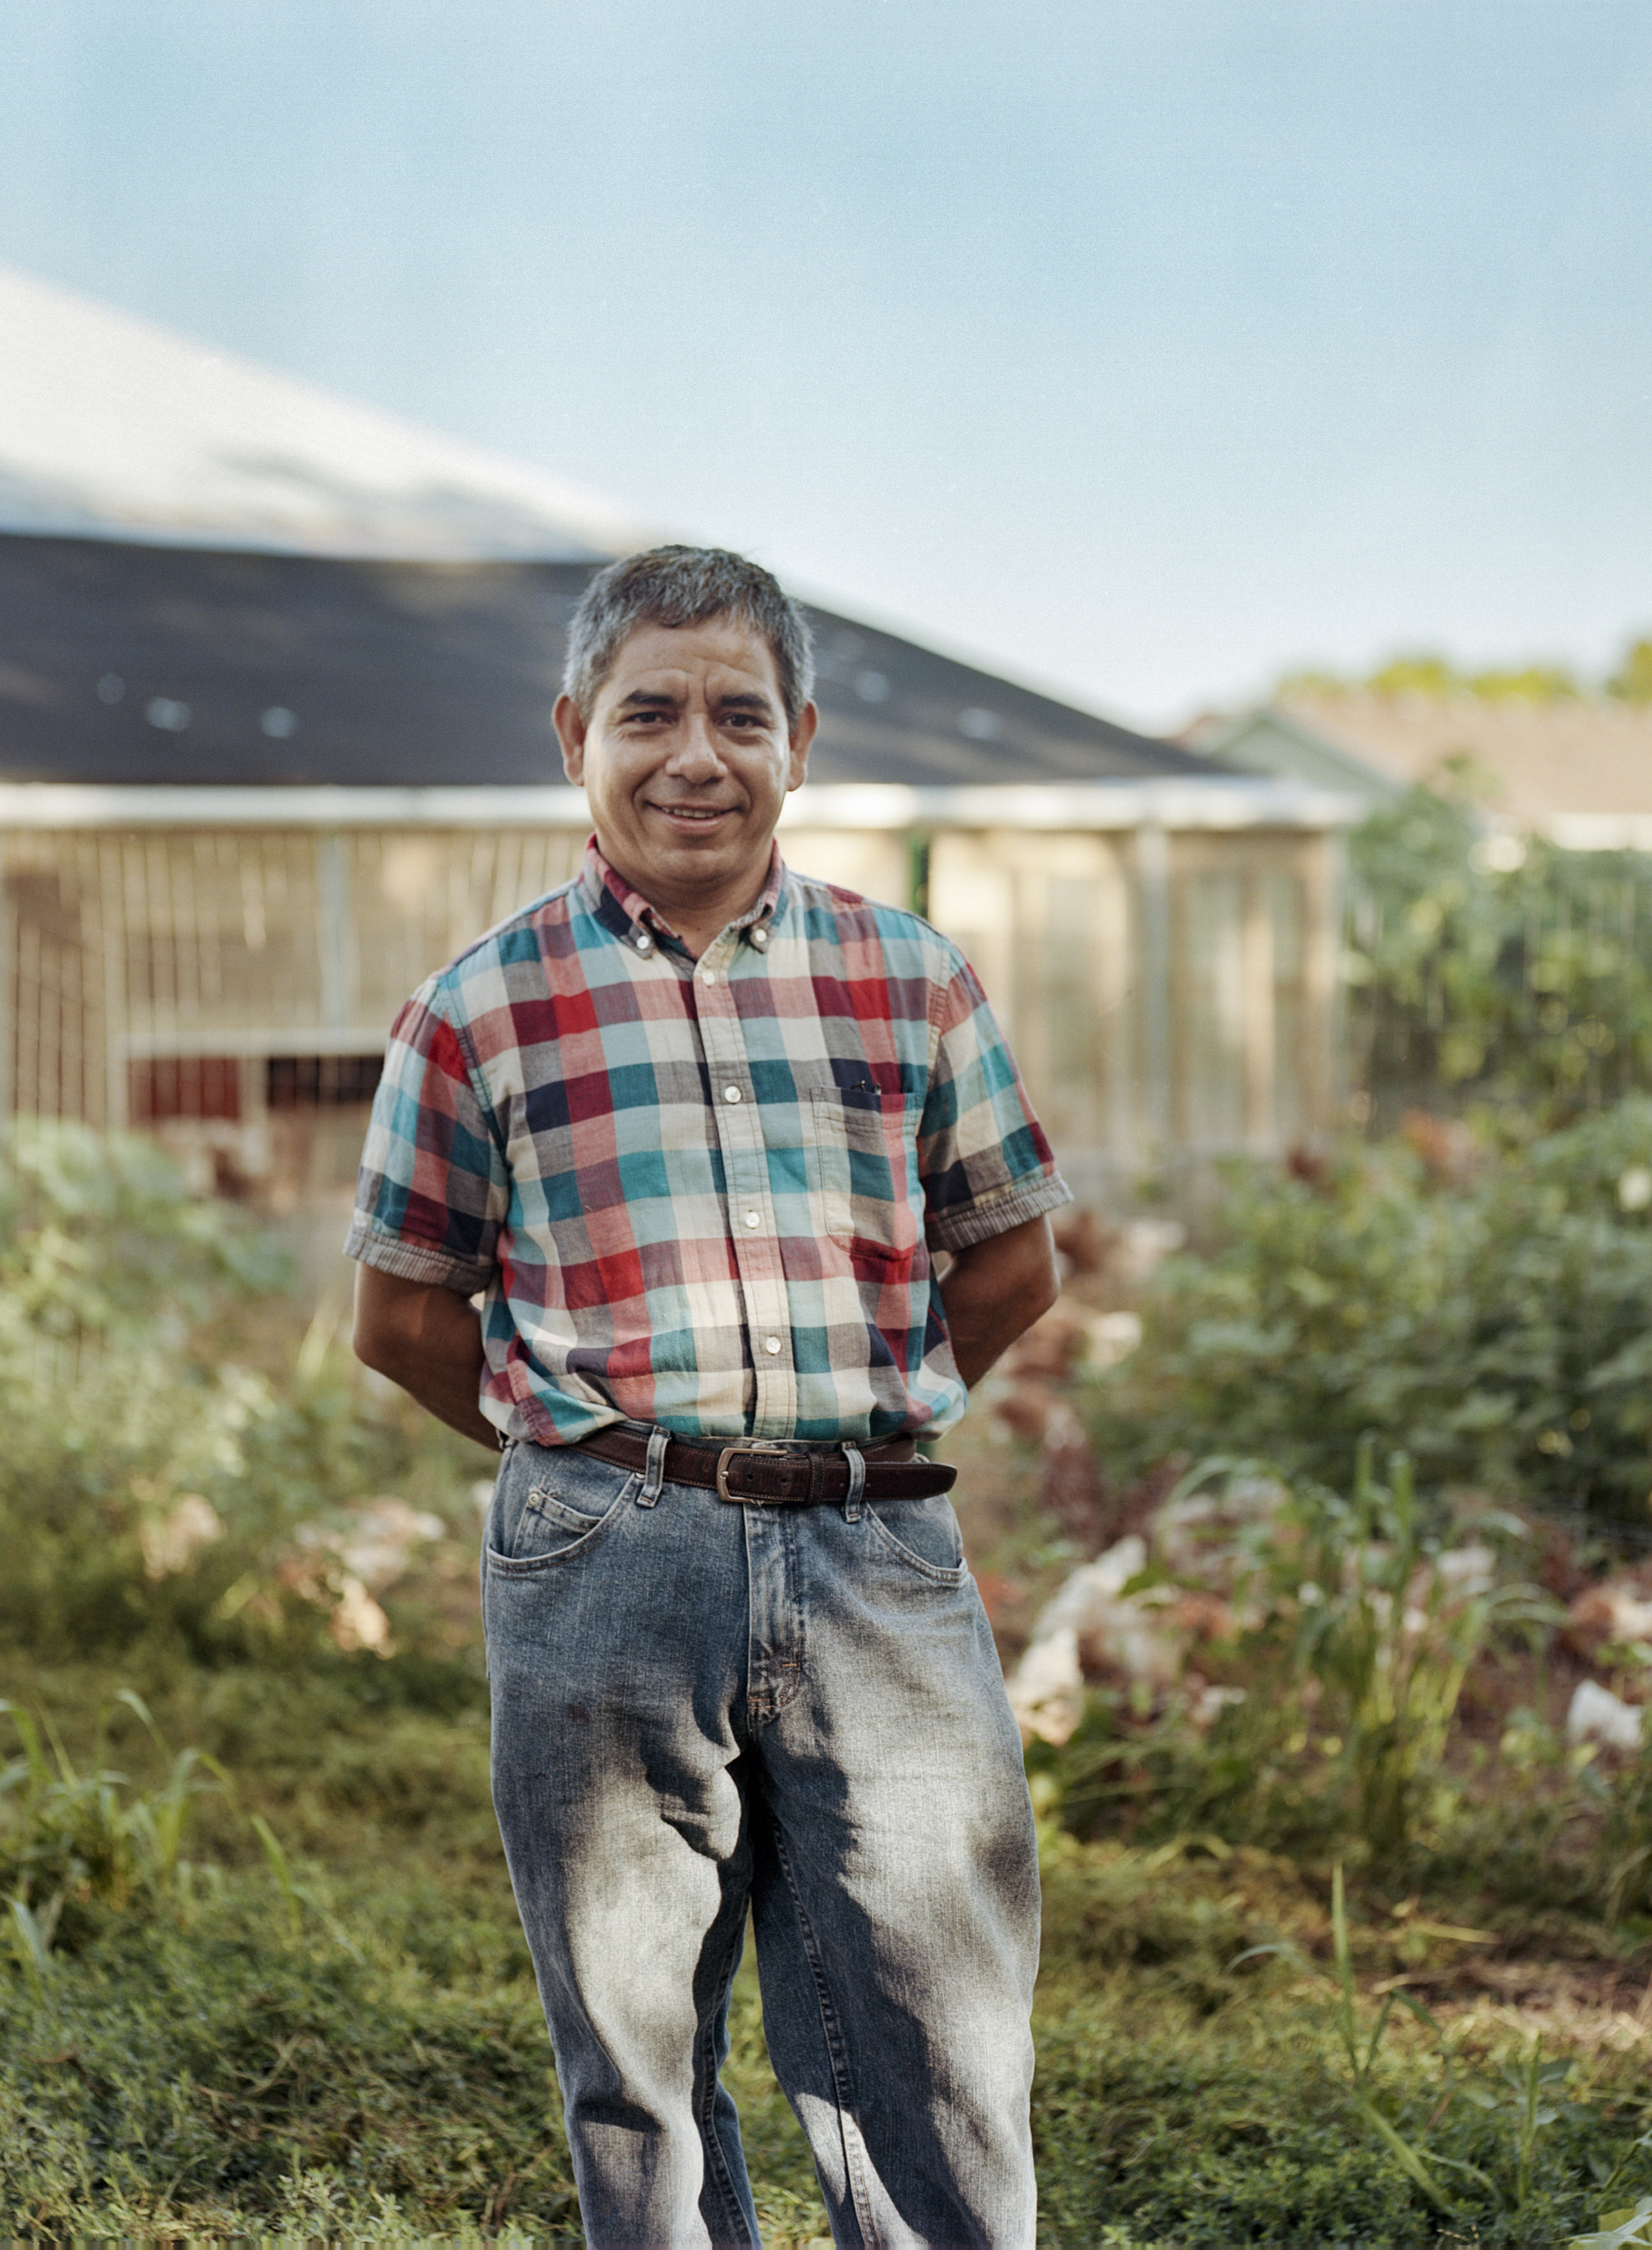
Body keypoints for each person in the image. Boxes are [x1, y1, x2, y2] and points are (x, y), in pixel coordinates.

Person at [348, 546, 1069, 2249]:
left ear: (800, 739)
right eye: (647, 711)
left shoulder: (913, 979)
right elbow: (402, 1313)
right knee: (635, 2037)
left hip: (874, 1556)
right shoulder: (481, 1007)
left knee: (938, 2018)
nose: (695, 753)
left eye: (738, 713)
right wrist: (604, 1454)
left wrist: (849, 1426)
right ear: (572, 736)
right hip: (605, 1555)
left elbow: (1013, 1261)